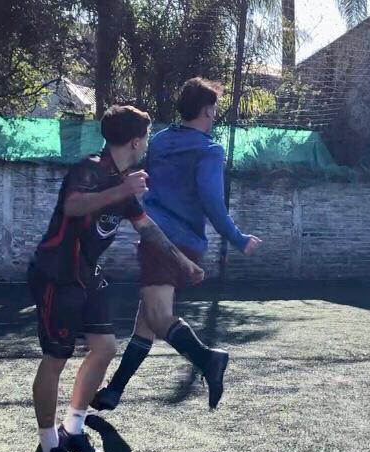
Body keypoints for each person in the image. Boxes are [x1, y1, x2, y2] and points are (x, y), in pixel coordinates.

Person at [27, 105, 204, 452]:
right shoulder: (91, 169)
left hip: (87, 275)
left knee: (105, 348)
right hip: (57, 273)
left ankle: (73, 430)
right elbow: (73, 205)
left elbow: (147, 227)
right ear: (136, 141)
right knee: (56, 358)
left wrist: (182, 262)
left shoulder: (123, 181)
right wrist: (123, 189)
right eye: (146, 138)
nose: (146, 145)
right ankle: (48, 448)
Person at [91, 78, 261, 412]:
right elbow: (213, 204)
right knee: (150, 318)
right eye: (214, 108)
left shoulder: (160, 140)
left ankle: (118, 389)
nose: (215, 114)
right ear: (207, 110)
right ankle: (202, 361)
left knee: (154, 316)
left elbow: (147, 180)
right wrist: (238, 238)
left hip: (156, 238)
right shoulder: (208, 151)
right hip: (179, 243)